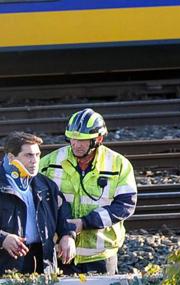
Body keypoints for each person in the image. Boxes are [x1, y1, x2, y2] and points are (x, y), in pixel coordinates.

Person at [39, 108, 137, 275]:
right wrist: (65, 232)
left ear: (98, 139)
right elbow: (39, 203)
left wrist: (84, 223)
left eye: (82, 141)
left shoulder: (119, 164)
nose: (76, 145)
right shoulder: (49, 162)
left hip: (100, 254)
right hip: (61, 251)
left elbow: (125, 205)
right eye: (72, 139)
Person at [0, 132, 76, 274]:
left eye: (37, 155)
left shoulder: (46, 185)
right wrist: (2, 238)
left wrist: (68, 235)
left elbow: (63, 212)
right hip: (6, 263)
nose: (35, 160)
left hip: (43, 261)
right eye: (29, 155)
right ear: (11, 158)